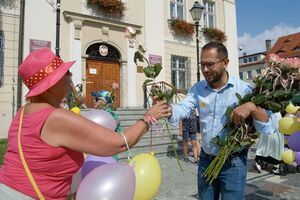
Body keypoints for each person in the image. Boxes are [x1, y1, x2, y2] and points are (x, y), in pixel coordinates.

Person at [0, 48, 171, 200]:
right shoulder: (55, 118)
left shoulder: (23, 112)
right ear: (50, 86)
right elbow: (120, 143)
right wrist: (150, 117)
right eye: (66, 73)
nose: (71, 76)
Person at [164, 42, 273, 199]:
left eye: (210, 64)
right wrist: (168, 109)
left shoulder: (243, 89)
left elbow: (267, 126)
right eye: (202, 65)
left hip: (233, 164)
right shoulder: (198, 89)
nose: (205, 70)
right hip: (206, 161)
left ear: (225, 63)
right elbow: (182, 108)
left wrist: (251, 107)